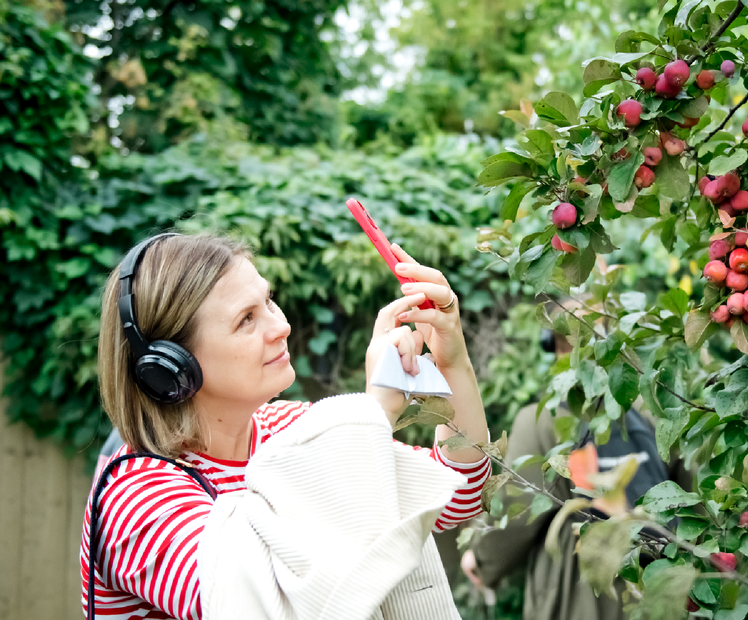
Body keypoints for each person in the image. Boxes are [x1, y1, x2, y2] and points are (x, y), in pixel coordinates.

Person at [80, 232, 491, 619]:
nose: (282, 327)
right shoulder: (134, 498)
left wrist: (452, 359)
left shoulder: (287, 429)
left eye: (269, 302)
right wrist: (375, 413)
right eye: (246, 319)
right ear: (171, 367)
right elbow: (271, 605)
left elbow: (458, 491)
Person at [460, 329, 695, 620]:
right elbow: (689, 502)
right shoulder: (656, 413)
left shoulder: (543, 420)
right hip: (658, 588)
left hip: (580, 593)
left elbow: (515, 509)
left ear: (558, 349)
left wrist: (481, 560)